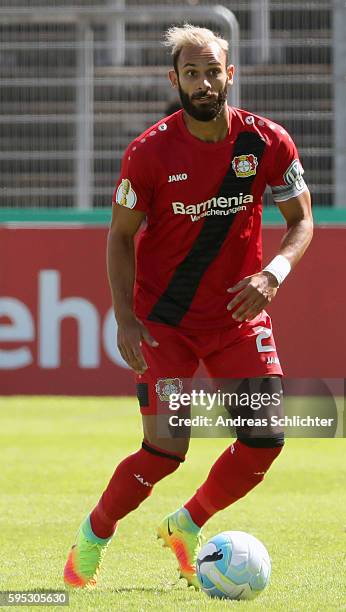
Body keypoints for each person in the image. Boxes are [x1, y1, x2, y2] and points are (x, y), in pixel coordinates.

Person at [64, 24, 313, 590]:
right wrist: (126, 319)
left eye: (213, 71)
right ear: (174, 79)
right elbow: (119, 237)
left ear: (231, 75)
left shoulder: (267, 142)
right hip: (165, 327)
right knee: (163, 451)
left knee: (264, 440)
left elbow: (301, 222)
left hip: (237, 319)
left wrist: (273, 273)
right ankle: (93, 535)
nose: (204, 83)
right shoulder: (149, 152)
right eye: (192, 73)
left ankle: (187, 523)